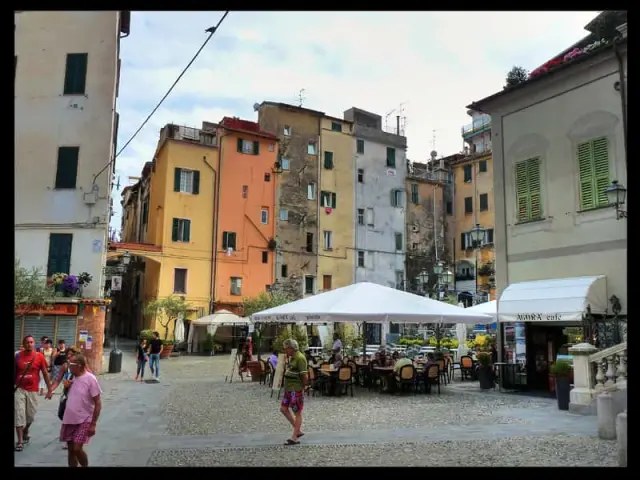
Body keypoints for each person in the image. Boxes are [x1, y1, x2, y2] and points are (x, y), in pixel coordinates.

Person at [59, 353, 102, 467]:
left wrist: (93, 424)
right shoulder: (71, 377)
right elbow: (68, 396)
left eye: (71, 364)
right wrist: (66, 388)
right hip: (69, 418)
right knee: (71, 451)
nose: (68, 366)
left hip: (84, 419)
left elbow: (98, 402)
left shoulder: (90, 379)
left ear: (79, 365)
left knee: (77, 448)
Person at [15, 335, 53, 452]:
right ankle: (20, 441)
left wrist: (49, 389)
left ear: (34, 343)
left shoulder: (39, 356)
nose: (29, 344)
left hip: (33, 390)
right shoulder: (17, 356)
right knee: (19, 414)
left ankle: (26, 430)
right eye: (27, 342)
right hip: (19, 389)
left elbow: (45, 373)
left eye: (31, 342)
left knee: (30, 416)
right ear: (23, 344)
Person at [280, 338, 308, 446]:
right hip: (289, 390)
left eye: (287, 349)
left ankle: (294, 437)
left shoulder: (300, 358)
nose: (286, 351)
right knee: (283, 409)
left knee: (297, 413)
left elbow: (304, 375)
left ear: (292, 348)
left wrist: (305, 386)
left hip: (295, 390)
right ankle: (298, 430)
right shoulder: (292, 358)